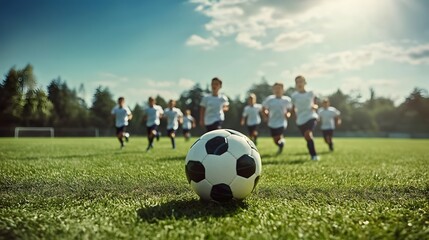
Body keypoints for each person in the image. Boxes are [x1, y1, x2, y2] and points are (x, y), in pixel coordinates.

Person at [291, 75, 320, 161]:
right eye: (297, 82)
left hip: (311, 116)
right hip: (300, 119)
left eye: (301, 81)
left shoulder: (311, 93)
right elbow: (293, 108)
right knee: (307, 138)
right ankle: (312, 154)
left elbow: (315, 104)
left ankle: (314, 155)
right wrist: (290, 115)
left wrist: (315, 107)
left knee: (308, 134)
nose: (299, 84)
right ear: (295, 84)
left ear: (305, 83)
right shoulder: (294, 96)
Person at [262, 82, 292, 155]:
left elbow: (290, 110)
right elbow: (263, 108)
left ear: (283, 90)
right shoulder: (269, 99)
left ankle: (282, 140)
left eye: (279, 88)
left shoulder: (287, 100)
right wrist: (265, 115)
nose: (277, 90)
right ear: (273, 90)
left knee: (279, 135)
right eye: (275, 89)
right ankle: (281, 145)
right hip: (272, 122)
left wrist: (288, 115)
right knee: (275, 140)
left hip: (282, 122)